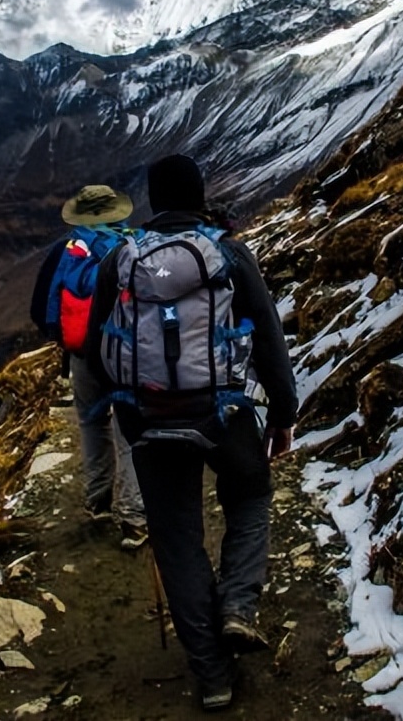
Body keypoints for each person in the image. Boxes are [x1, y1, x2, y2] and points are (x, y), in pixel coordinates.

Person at [86, 156, 298, 710]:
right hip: (223, 413)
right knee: (250, 498)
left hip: (150, 421)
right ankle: (237, 608)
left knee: (177, 539)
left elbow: (94, 346)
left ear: (155, 201)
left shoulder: (120, 259)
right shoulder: (228, 253)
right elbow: (269, 335)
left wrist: (125, 412)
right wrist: (282, 412)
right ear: (200, 195)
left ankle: (213, 678)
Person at [35, 184, 148, 550]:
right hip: (126, 353)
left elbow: (40, 308)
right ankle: (134, 517)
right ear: (118, 212)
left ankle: (97, 500)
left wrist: (65, 339)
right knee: (129, 429)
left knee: (91, 421)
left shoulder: (67, 251)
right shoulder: (136, 246)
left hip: (83, 354)